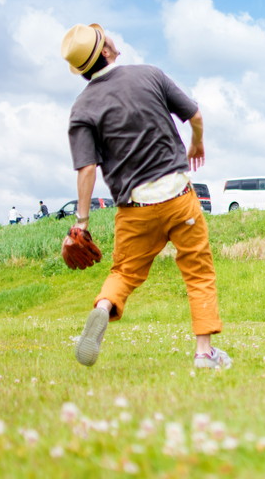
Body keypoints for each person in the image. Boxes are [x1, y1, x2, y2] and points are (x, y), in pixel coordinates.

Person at [60, 22, 230, 369]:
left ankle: (103, 307)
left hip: (135, 207)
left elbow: (87, 169)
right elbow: (195, 114)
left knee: (124, 272)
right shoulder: (149, 74)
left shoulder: (81, 108)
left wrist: (81, 223)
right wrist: (197, 142)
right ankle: (204, 353)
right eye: (105, 38)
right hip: (179, 197)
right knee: (198, 273)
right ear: (105, 51)